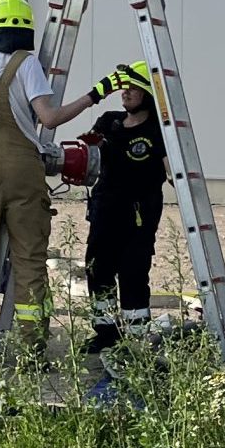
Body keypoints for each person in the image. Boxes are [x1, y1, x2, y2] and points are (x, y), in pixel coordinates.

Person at [0, 0, 128, 359]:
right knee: (28, 260)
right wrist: (96, 94)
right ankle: (31, 351)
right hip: (24, 170)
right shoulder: (27, 65)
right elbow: (50, 118)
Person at [82, 62, 169, 353]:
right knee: (98, 269)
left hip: (140, 211)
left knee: (133, 271)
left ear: (147, 93)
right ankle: (105, 332)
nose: (125, 93)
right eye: (124, 87)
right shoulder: (108, 121)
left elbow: (171, 170)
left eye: (133, 87)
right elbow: (90, 161)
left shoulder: (158, 131)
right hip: (106, 208)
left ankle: (136, 338)